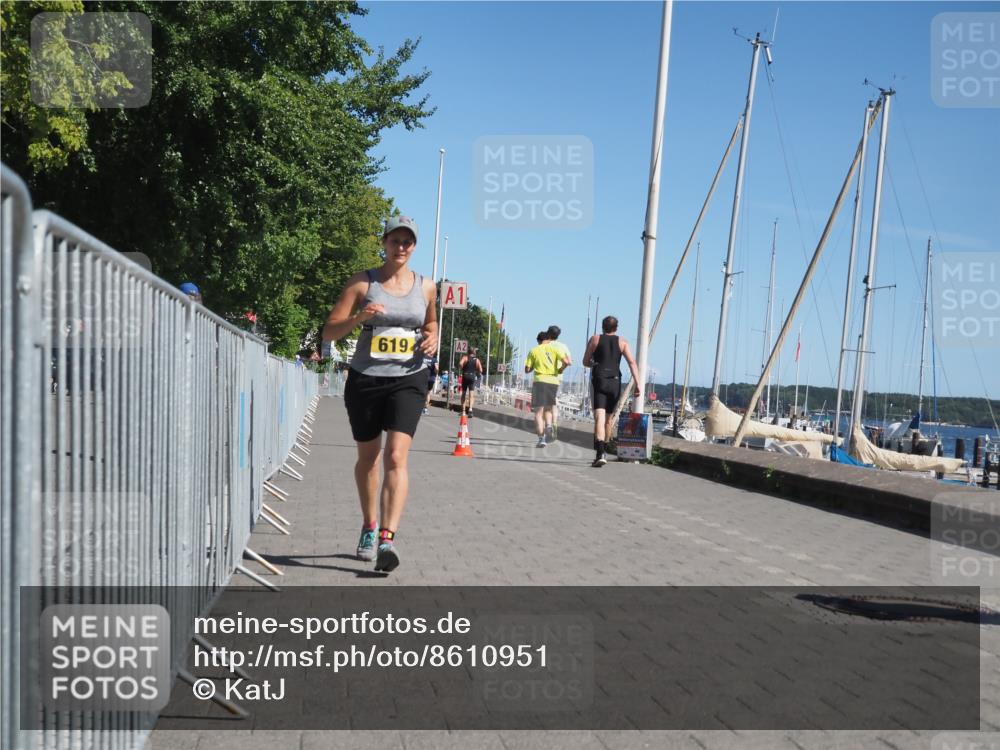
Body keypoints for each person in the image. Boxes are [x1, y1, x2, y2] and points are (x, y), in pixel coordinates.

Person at [321, 215, 437, 572]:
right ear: (384, 243)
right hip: (366, 378)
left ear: (414, 247)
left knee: (397, 458)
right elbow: (329, 332)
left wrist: (433, 337)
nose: (401, 247)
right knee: (369, 459)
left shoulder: (427, 287)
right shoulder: (363, 282)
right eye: (395, 241)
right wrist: (360, 318)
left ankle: (388, 538)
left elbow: (430, 321)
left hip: (409, 378)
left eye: (407, 242)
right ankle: (369, 525)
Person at [582, 315, 640, 467]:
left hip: (599, 380)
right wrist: (638, 384)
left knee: (599, 418)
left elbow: (585, 361)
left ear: (603, 326)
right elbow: (632, 363)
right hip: (615, 382)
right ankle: (605, 449)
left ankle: (600, 452)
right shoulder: (623, 342)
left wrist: (594, 363)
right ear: (616, 328)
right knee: (608, 420)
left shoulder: (595, 339)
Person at [524, 330, 571, 448]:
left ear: (539, 341)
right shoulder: (555, 349)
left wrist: (534, 366)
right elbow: (567, 362)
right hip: (553, 382)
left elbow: (527, 369)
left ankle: (542, 439)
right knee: (549, 409)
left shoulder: (534, 350)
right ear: (548, 340)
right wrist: (561, 370)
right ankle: (549, 425)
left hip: (539, 381)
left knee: (538, 413)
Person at [543, 325, 572, 441]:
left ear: (548, 334)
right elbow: (569, 361)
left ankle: (549, 427)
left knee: (547, 405)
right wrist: (561, 369)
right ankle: (554, 425)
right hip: (558, 378)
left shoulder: (545, 346)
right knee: (553, 402)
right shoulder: (563, 346)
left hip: (546, 377)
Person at [458, 347, 484, 416]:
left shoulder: (465, 357)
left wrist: (463, 367)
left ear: (468, 352)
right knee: (471, 394)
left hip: (465, 375)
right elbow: (481, 370)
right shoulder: (477, 360)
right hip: (472, 376)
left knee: (463, 393)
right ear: (474, 353)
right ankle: (470, 409)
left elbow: (460, 364)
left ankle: (463, 411)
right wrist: (476, 371)